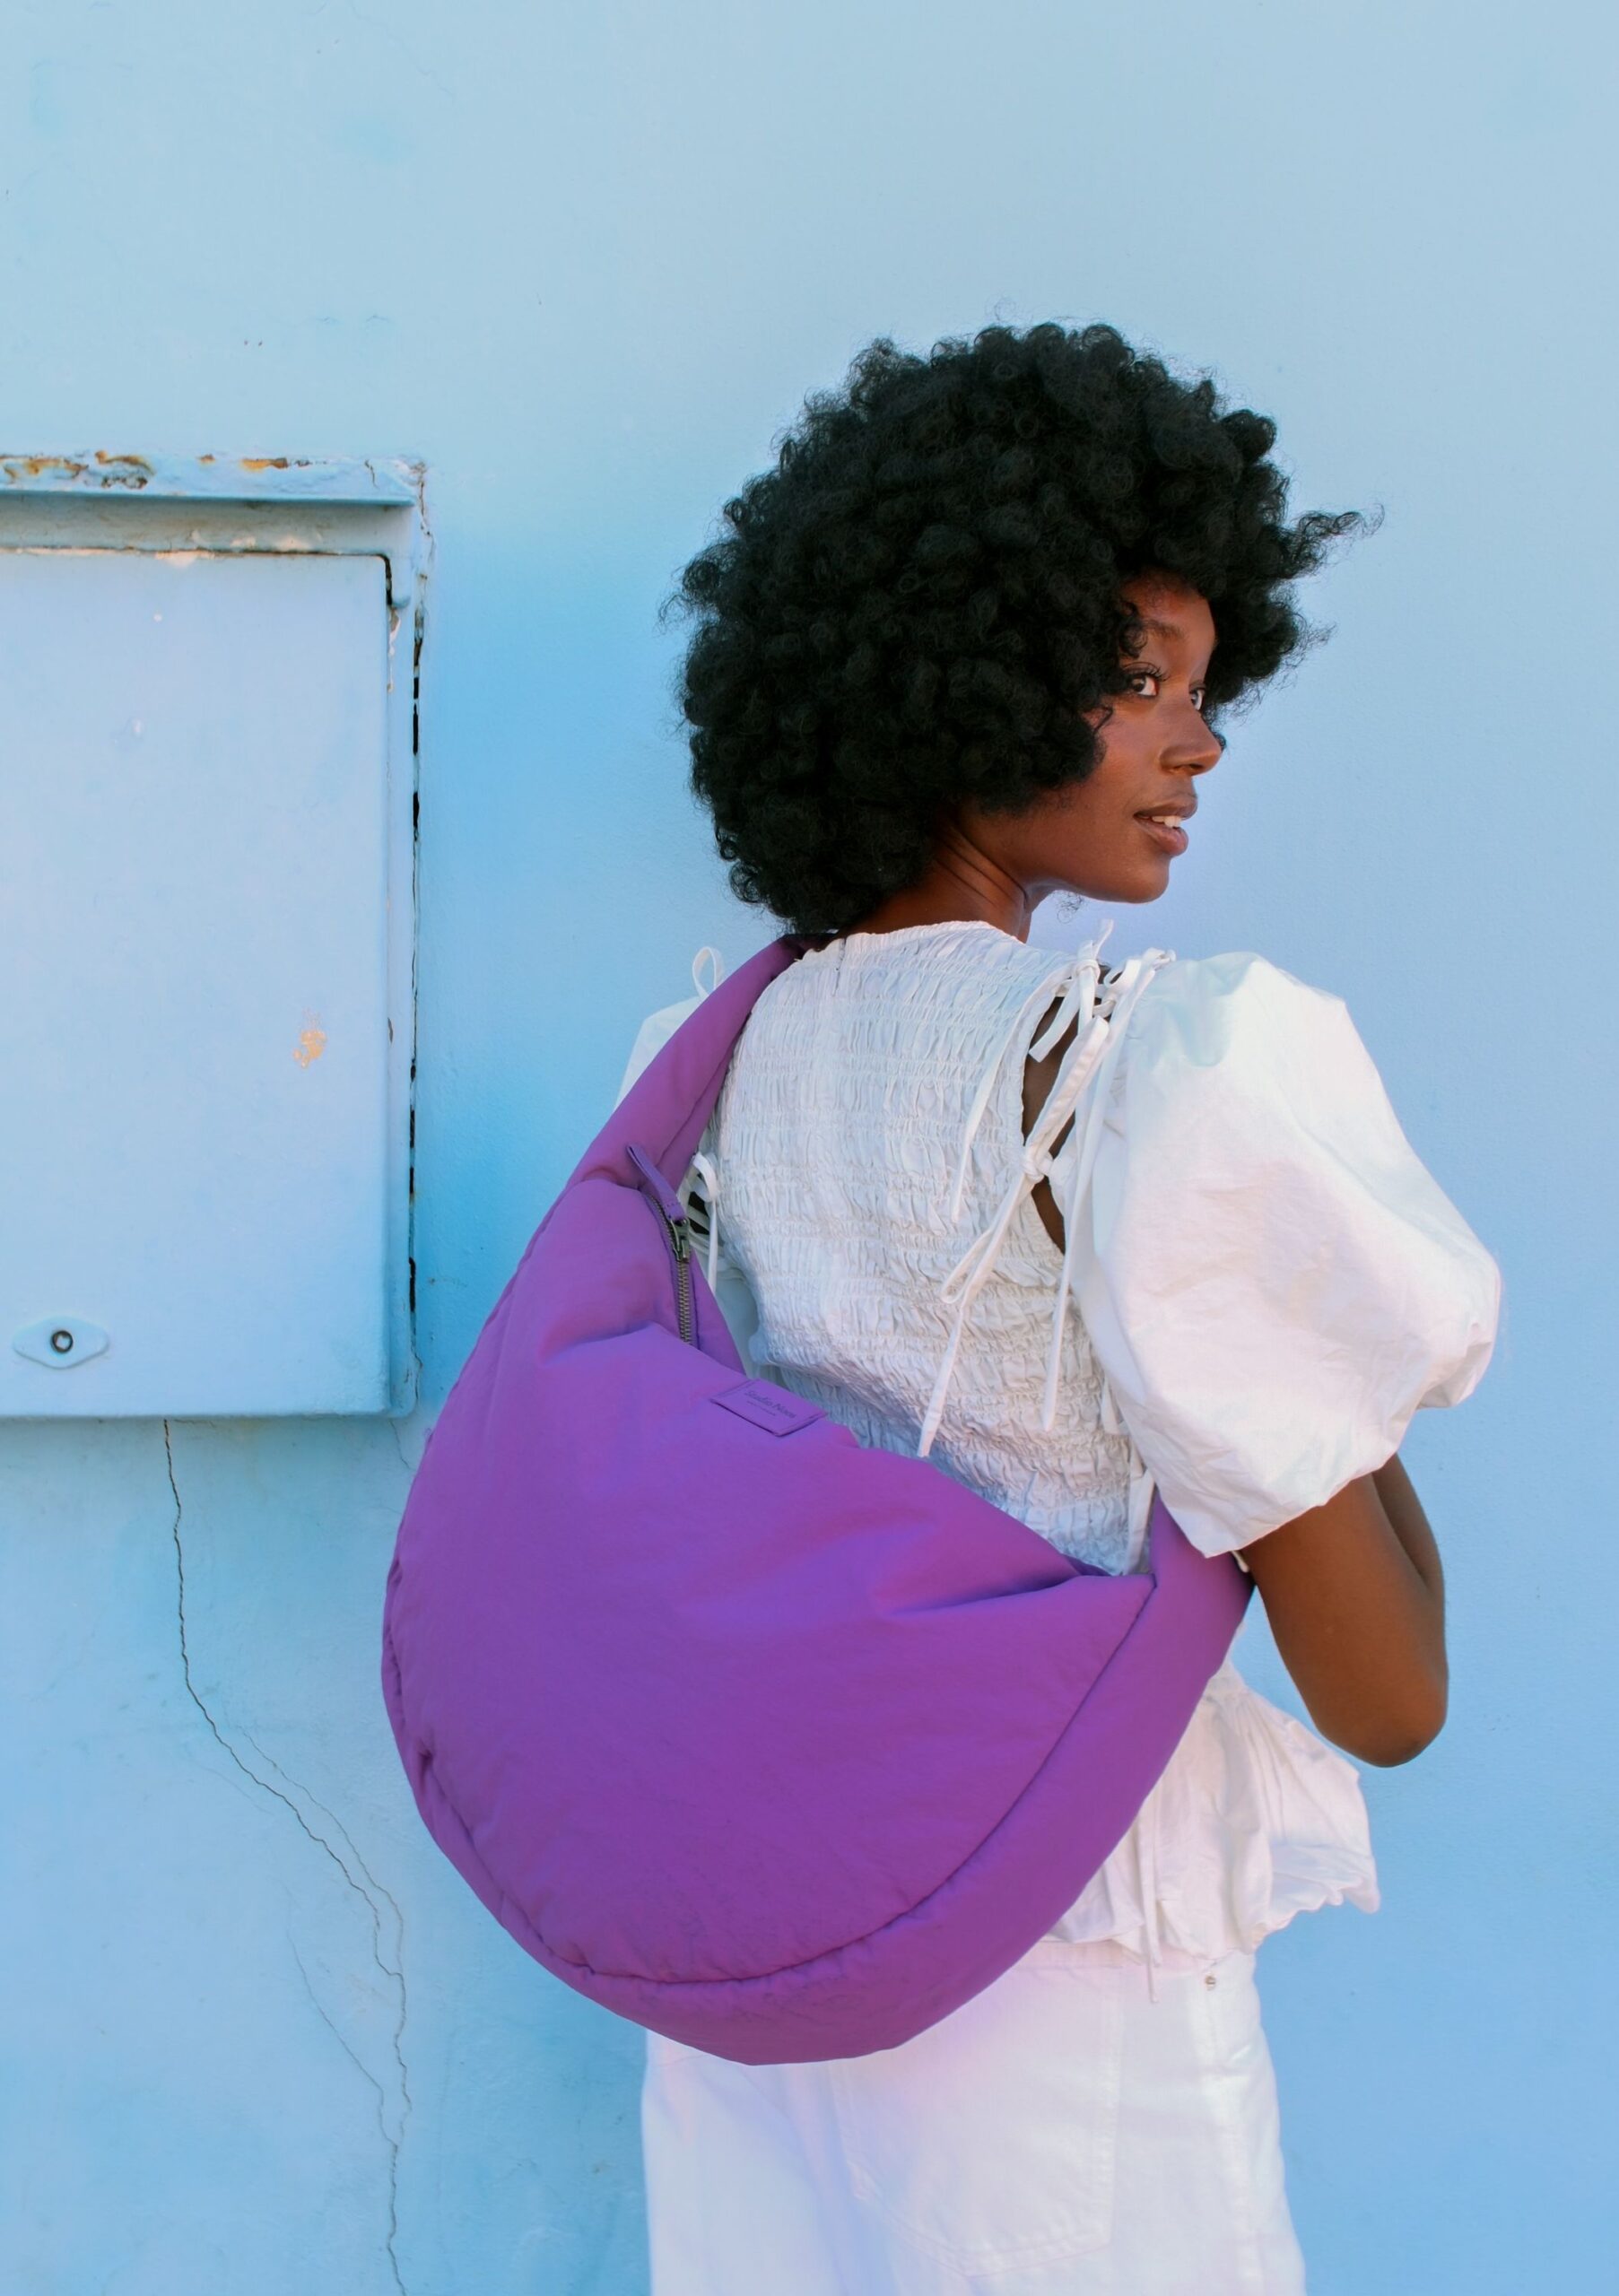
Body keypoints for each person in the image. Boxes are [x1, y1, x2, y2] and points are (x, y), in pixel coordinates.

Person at [616, 322, 1501, 2294]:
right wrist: (1312, 1331)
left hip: (755, 1921)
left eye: (1203, 688)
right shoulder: (1142, 1074)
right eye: (1136, 682)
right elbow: (1391, 1695)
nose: (1199, 745)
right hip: (1054, 1928)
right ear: (965, 680)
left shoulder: (701, 1063)